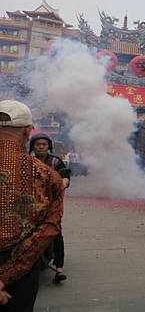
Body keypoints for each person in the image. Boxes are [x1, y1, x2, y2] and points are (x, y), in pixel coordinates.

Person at [0, 100, 64, 310]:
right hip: (21, 269)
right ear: (28, 131)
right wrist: (5, 277)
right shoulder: (46, 175)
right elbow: (50, 227)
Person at [29, 133, 70, 284]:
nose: (41, 147)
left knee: (56, 233)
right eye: (38, 144)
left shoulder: (55, 161)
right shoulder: (27, 161)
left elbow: (65, 176)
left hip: (52, 203)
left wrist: (61, 185)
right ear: (33, 146)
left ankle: (59, 269)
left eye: (44, 144)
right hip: (30, 204)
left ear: (49, 147)